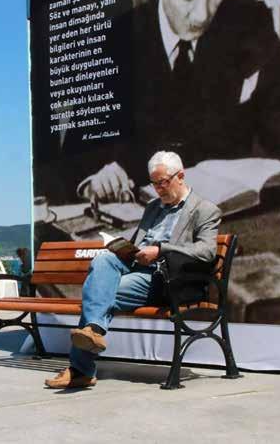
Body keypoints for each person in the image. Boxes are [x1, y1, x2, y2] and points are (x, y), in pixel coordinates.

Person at [36, 0, 280, 204]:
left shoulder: (248, 20)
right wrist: (95, 180)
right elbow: (78, 155)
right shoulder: (115, 38)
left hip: (231, 208)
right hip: (143, 210)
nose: (201, 15)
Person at [44, 150, 221, 389]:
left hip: (167, 278)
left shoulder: (204, 209)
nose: (158, 189)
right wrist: (124, 247)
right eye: (154, 183)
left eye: (163, 183)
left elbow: (207, 252)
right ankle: (93, 333)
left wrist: (161, 250)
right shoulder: (152, 207)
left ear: (181, 176)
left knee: (99, 292)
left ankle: (81, 368)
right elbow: (141, 240)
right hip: (139, 266)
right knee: (103, 259)